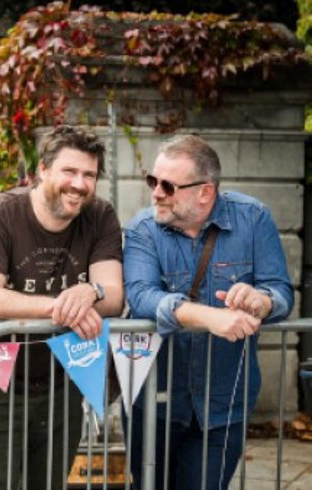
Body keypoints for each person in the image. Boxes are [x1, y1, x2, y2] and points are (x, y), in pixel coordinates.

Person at [123, 134, 293, 489]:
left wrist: (260, 301)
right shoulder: (143, 230)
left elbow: (280, 291)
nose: (156, 193)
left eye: (168, 186)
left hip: (222, 403)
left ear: (206, 192)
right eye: (153, 181)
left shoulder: (253, 218)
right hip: (154, 402)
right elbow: (142, 296)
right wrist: (208, 316)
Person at [0, 125, 124, 489]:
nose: (80, 184)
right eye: (69, 172)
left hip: (62, 380)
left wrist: (92, 291)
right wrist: (63, 306)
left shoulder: (100, 215)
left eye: (89, 175)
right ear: (42, 169)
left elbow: (113, 294)